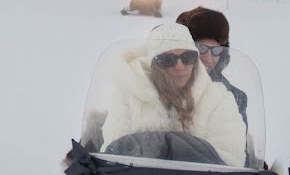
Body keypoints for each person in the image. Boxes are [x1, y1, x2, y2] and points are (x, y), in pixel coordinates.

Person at [101, 23, 246, 167]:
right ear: (154, 64)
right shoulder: (129, 95)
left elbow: (229, 161)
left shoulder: (219, 99)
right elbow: (112, 155)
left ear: (196, 60)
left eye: (187, 57)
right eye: (167, 60)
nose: (179, 66)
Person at [176, 7, 248, 127]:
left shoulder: (233, 97)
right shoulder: (159, 88)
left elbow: (237, 144)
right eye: (201, 48)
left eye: (217, 50)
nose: (208, 59)